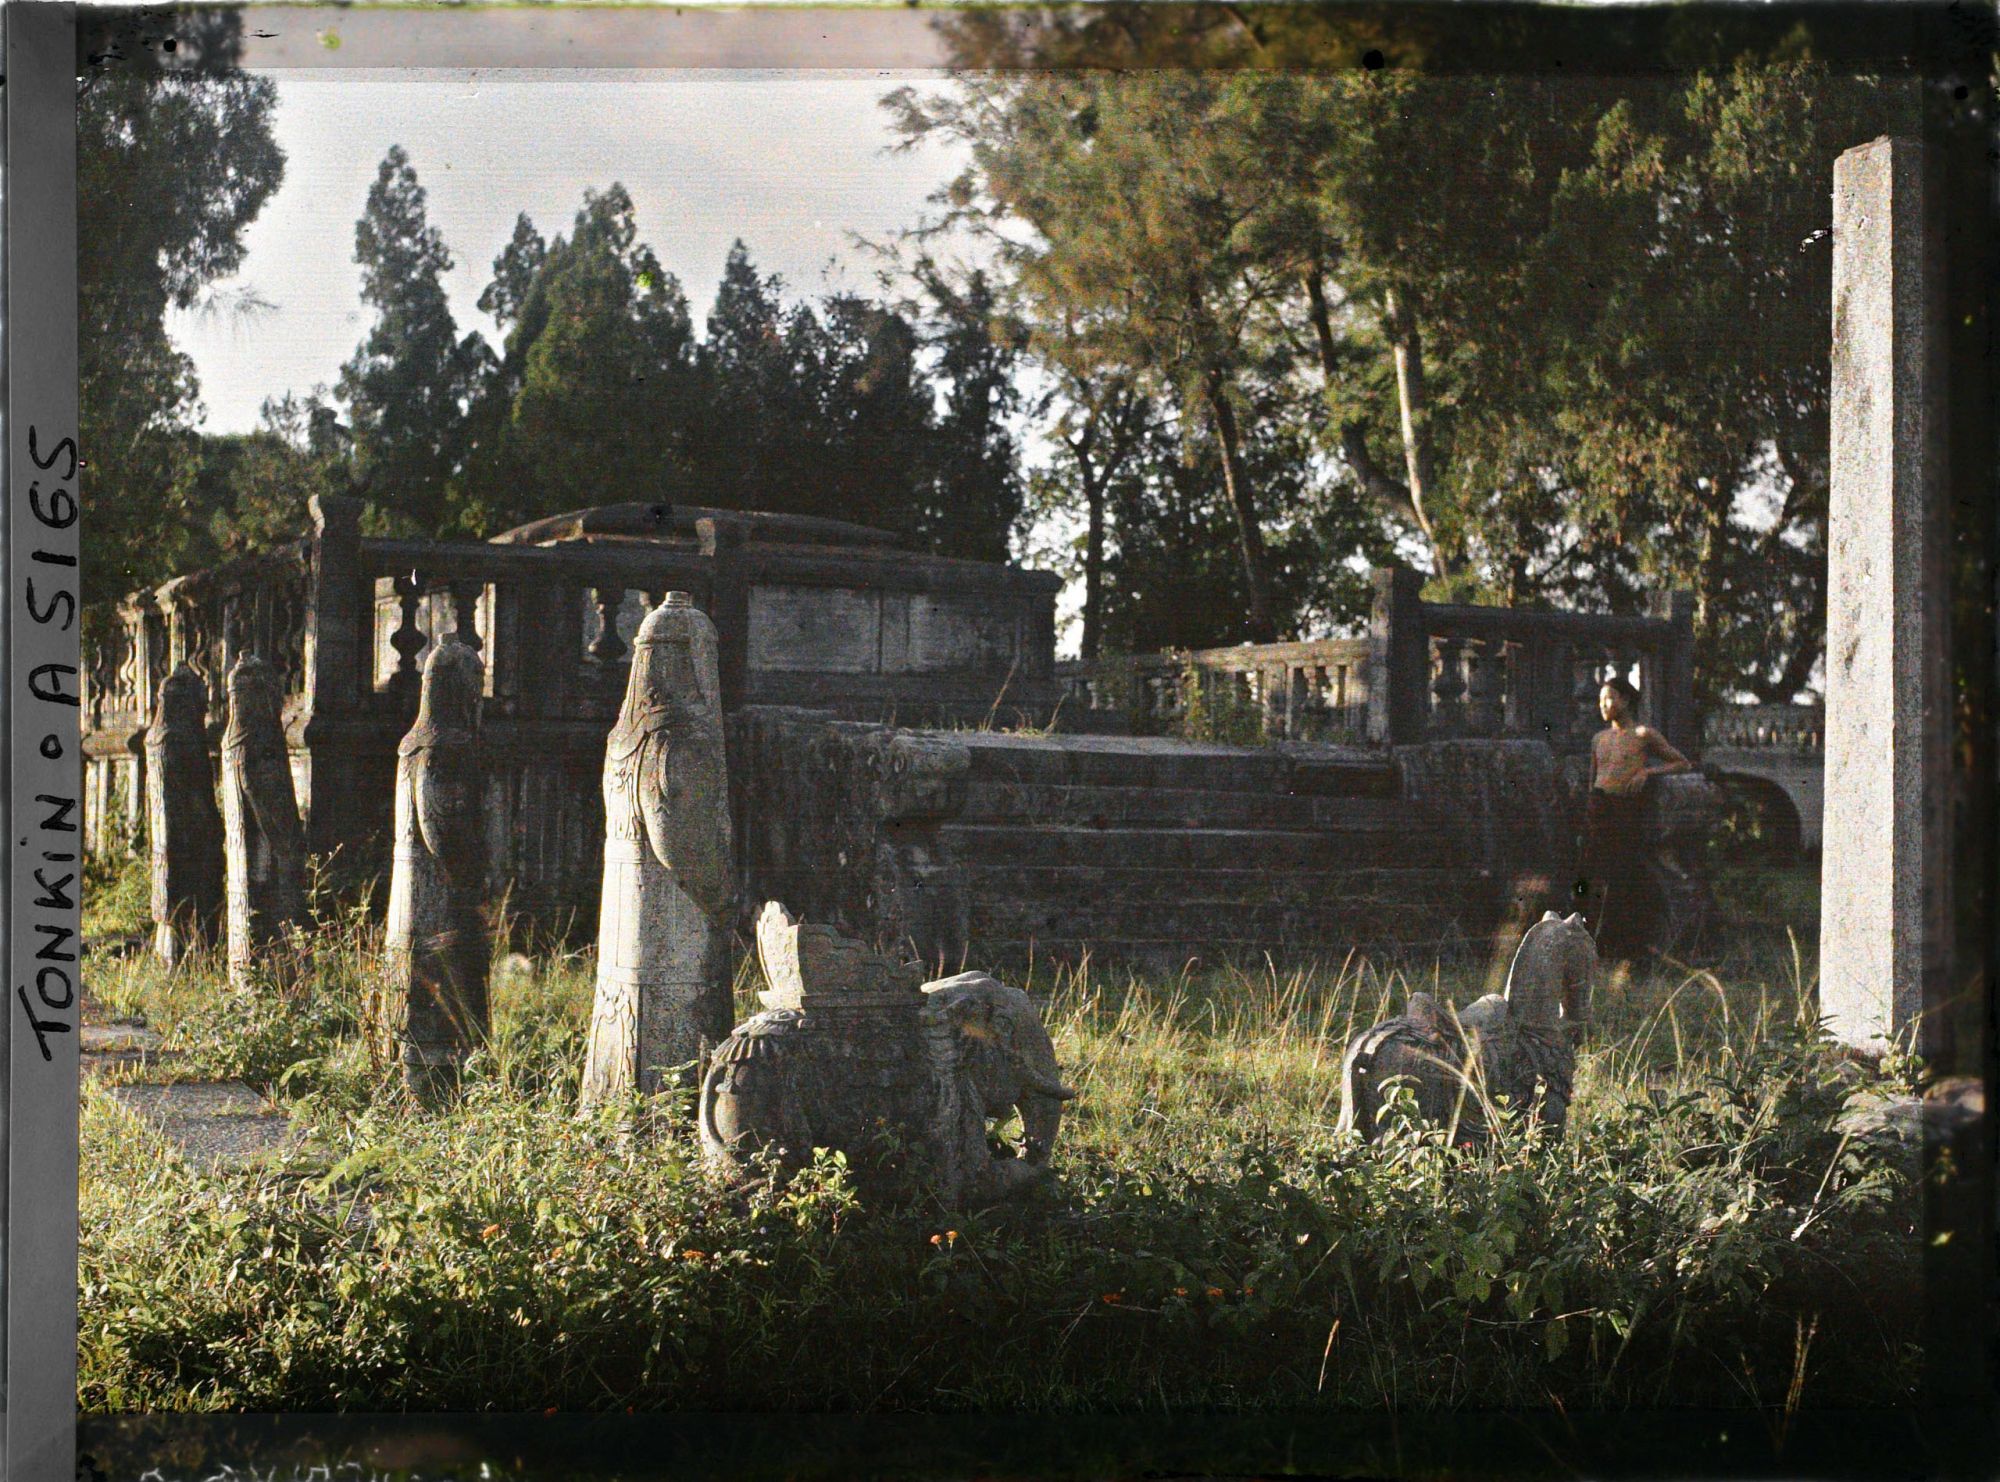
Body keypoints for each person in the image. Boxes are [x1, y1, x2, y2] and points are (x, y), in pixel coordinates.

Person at [1576, 676, 1692, 960]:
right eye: (1601, 698)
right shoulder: (1599, 738)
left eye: (1610, 697)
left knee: (1624, 877)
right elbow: (1594, 779)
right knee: (1591, 876)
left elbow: (1681, 762)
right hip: (1600, 809)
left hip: (1626, 811)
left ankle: (1625, 946)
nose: (1604, 704)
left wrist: (1647, 773)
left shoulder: (1643, 735)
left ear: (1626, 700)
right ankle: (1589, 942)